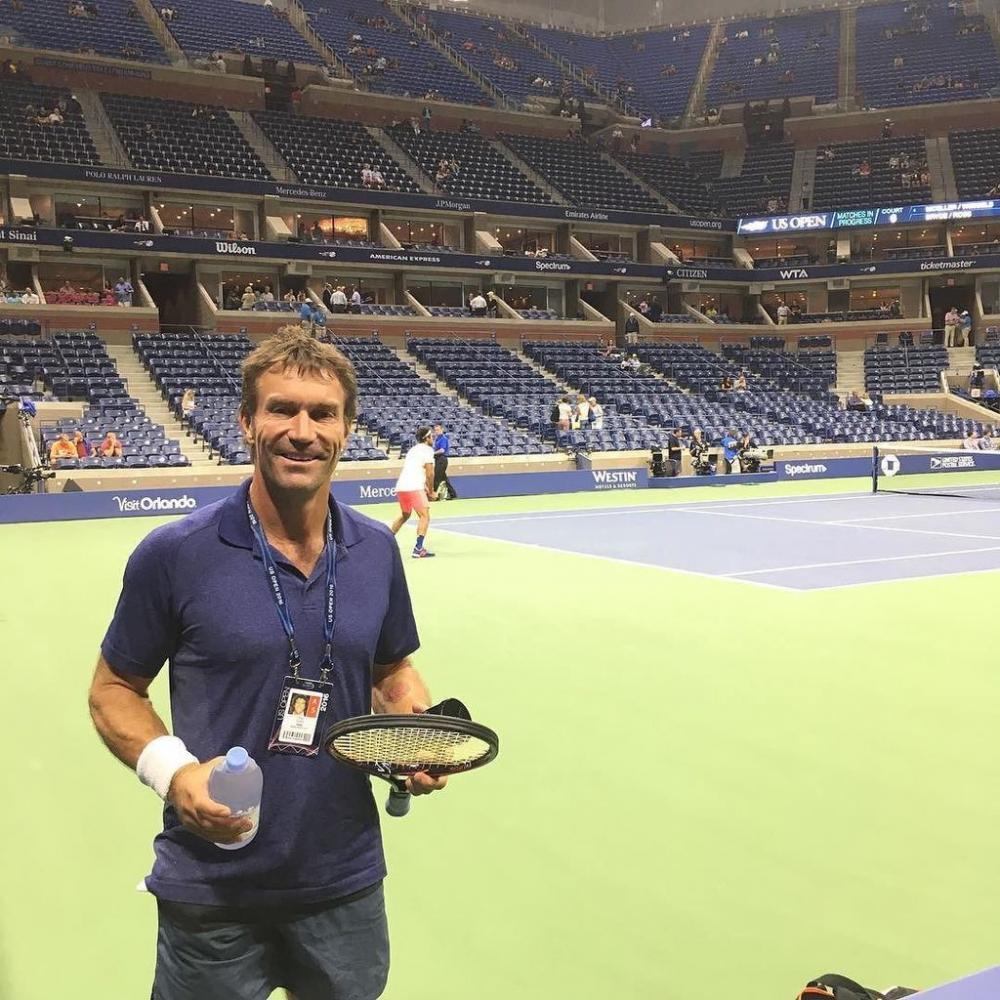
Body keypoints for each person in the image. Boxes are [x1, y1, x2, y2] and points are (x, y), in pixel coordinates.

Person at [88, 330, 443, 999]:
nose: (301, 431)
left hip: (345, 884)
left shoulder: (374, 551)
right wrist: (175, 773)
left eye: (322, 413)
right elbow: (112, 690)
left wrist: (410, 732)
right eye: (282, 410)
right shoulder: (175, 553)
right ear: (247, 421)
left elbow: (394, 670)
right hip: (214, 889)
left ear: (346, 428)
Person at [390, 426, 437, 558]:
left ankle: (385, 540)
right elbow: (430, 473)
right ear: (426, 438)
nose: (432, 438)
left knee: (405, 515)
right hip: (413, 487)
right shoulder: (428, 450)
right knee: (424, 515)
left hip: (402, 487)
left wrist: (425, 487)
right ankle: (418, 548)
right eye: (431, 436)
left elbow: (414, 469)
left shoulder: (413, 450)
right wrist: (431, 491)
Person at [432, 422, 456, 500]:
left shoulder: (443, 439)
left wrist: (432, 453)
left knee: (437, 478)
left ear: (442, 429)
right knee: (443, 478)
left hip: (442, 459)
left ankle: (436, 495)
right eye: (435, 430)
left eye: (438, 430)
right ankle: (452, 494)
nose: (437, 431)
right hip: (438, 460)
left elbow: (442, 450)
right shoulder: (437, 439)